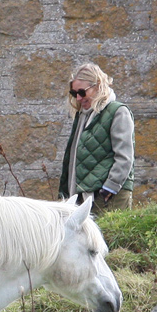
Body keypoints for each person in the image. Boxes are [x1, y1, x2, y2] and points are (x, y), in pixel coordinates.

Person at [58, 63, 135, 213]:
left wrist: (109, 188)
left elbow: (125, 157)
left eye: (82, 92)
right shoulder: (82, 116)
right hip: (84, 197)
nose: (79, 98)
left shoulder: (118, 112)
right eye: (74, 93)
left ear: (98, 86)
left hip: (109, 196)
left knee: (109, 236)